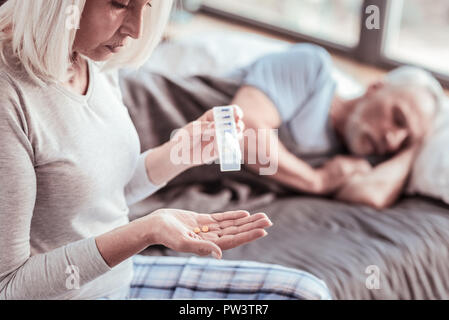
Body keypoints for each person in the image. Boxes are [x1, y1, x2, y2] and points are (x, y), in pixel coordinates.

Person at [0, 0, 332, 300]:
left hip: (121, 279)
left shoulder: (92, 57)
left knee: (303, 293)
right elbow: (10, 287)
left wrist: (177, 154)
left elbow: (99, 198)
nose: (136, 29)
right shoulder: (9, 97)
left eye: (147, 6)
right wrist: (145, 230)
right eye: (120, 4)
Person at [226, 43, 443, 209]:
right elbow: (241, 129)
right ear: (376, 87)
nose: (393, 140)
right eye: (398, 118)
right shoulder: (312, 69)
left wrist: (415, 147)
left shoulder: (360, 156)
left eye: (405, 140)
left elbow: (368, 195)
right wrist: (316, 181)